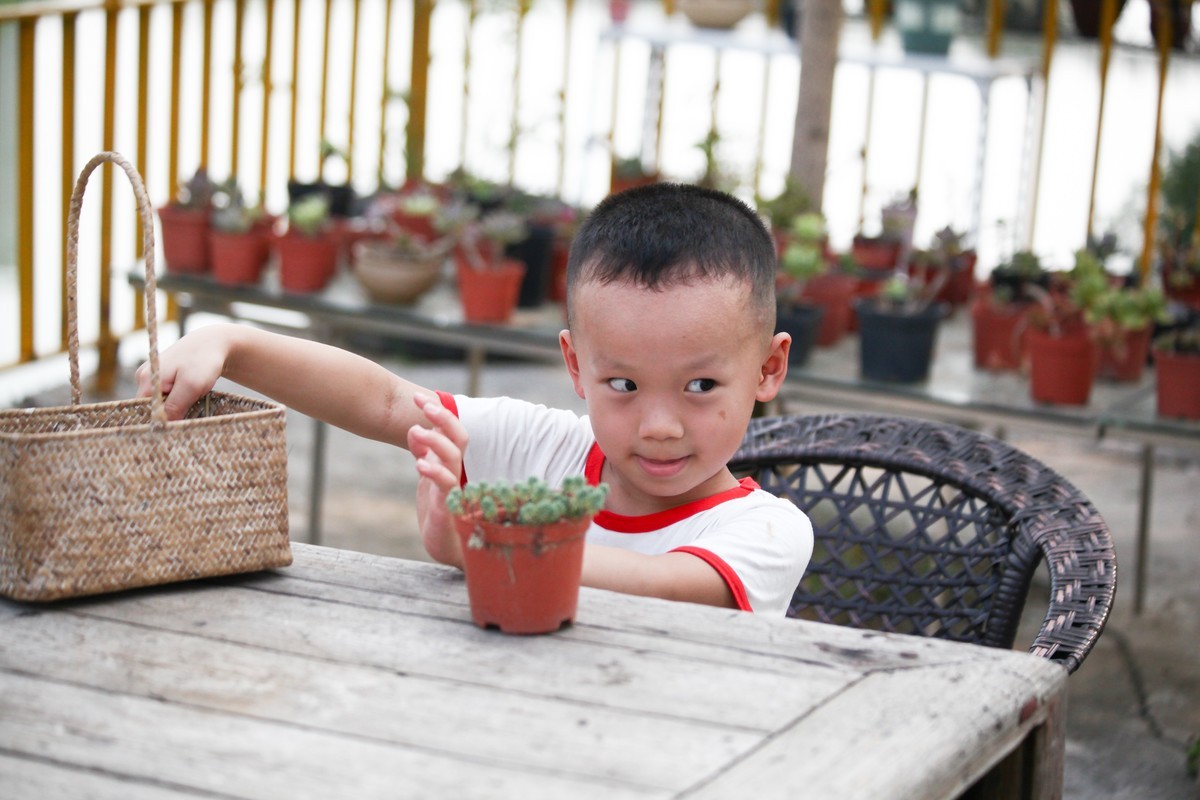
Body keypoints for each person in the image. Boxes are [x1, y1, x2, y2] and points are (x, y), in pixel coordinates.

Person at [136, 183, 813, 614]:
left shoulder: (768, 533)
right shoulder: (549, 448)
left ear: (767, 369)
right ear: (576, 366)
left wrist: (487, 546)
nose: (660, 426)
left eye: (700, 387)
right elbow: (386, 403)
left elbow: (664, 588)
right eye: (624, 386)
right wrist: (235, 344)